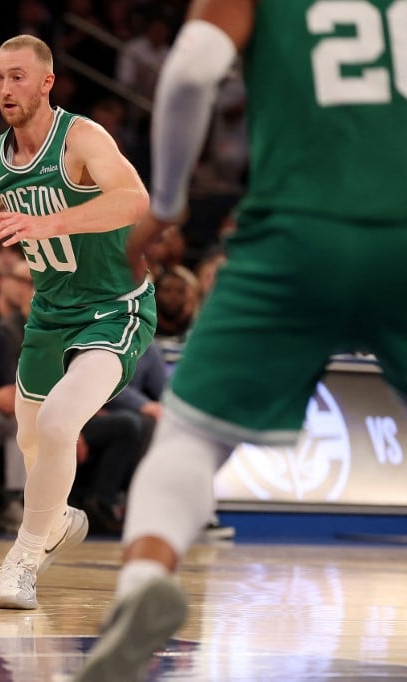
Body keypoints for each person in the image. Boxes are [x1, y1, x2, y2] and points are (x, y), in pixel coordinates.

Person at [76, 1, 407, 679]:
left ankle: (141, 588)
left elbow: (192, 72)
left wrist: (168, 201)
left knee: (191, 437)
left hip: (295, 230)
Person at [0, 34, 156, 610]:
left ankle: (23, 558)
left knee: (61, 423)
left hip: (115, 306)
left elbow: (135, 200)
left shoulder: (82, 137)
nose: (4, 88)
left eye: (17, 76)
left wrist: (52, 222)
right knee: (31, 440)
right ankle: (58, 520)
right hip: (50, 315)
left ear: (46, 82)